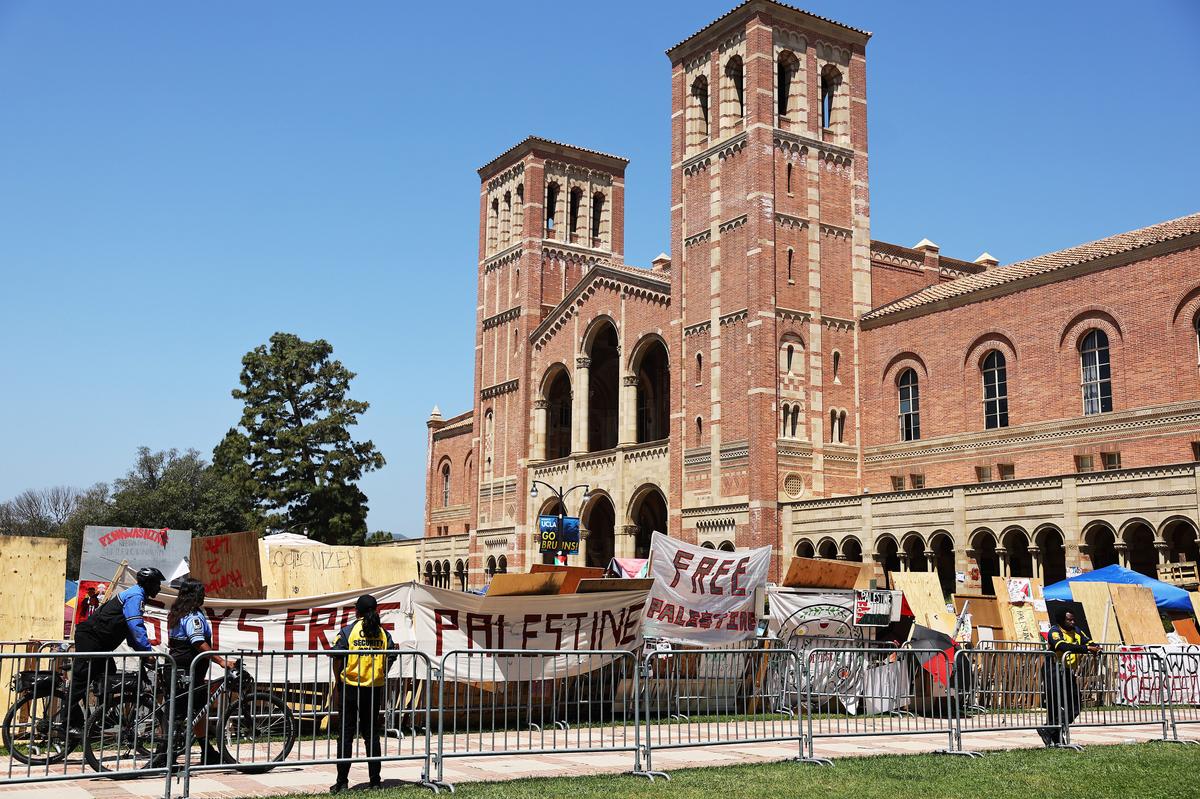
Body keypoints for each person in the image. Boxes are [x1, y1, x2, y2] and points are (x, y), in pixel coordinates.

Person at [62, 567, 164, 730]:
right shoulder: (135, 596)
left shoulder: (137, 595)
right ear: (149, 583)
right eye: (157, 584)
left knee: (109, 674)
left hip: (99, 643)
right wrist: (147, 651)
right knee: (80, 682)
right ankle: (67, 724)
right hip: (91, 639)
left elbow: (129, 631)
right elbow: (135, 626)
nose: (159, 588)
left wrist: (142, 653)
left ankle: (99, 718)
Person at [329, 594, 395, 794]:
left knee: (346, 734)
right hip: (374, 688)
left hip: (351, 687)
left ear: (356, 611)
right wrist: (381, 672)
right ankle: (375, 781)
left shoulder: (349, 632)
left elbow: (337, 657)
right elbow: (391, 656)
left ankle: (342, 782)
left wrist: (338, 680)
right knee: (371, 735)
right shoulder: (383, 634)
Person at [165, 578, 233, 765]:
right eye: (201, 592)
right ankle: (164, 754)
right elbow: (197, 641)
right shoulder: (193, 616)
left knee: (199, 711)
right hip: (187, 672)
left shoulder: (178, 612)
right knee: (181, 714)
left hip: (183, 670)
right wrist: (220, 661)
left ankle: (206, 751)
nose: (204, 596)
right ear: (195, 595)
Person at [1037, 610, 1101, 746]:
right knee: (1055, 705)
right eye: (1069, 620)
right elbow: (1061, 645)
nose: (1072, 622)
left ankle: (1049, 729)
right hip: (1052, 668)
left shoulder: (1076, 630)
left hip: (1066, 670)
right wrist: (1087, 649)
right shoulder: (1054, 631)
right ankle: (1056, 737)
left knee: (1076, 705)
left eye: (1073, 619)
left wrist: (1096, 647)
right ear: (1061, 621)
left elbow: (1088, 641)